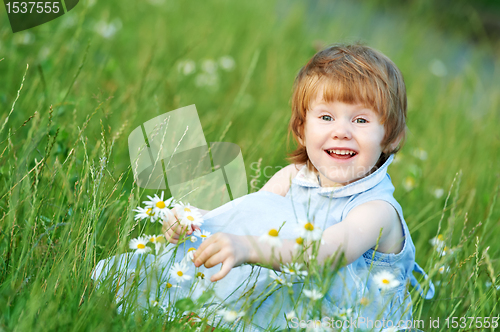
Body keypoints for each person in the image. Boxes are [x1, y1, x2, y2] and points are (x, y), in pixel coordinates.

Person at [95, 43, 434, 332]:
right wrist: (196, 222)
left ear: (390, 135)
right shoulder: (294, 177)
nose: (342, 131)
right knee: (261, 216)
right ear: (301, 129)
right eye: (326, 117)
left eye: (360, 120)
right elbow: (245, 217)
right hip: (301, 308)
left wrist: (246, 247)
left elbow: (323, 256)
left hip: (351, 322)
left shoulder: (376, 211)